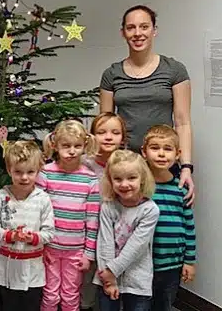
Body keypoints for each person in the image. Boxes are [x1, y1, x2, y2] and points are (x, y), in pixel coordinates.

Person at [99, 5, 194, 203]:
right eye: (131, 28)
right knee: (125, 228)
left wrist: (186, 167)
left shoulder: (174, 70)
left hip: (163, 164)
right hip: (125, 168)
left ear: (154, 30)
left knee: (165, 225)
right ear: (123, 33)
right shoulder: (111, 74)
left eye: (144, 27)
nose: (137, 33)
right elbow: (105, 126)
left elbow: (183, 122)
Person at [38, 120, 100, 311]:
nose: (72, 151)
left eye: (77, 146)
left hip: (76, 251)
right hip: (49, 248)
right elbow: (37, 212)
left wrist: (88, 254)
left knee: (71, 293)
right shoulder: (46, 173)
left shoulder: (90, 179)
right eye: (66, 146)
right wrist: (40, 247)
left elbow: (92, 220)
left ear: (84, 146)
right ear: (55, 145)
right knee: (49, 293)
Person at [0, 141, 54, 311]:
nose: (24, 177)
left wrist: (33, 237)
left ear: (38, 171)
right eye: (18, 172)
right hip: (7, 269)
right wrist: (11, 236)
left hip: (33, 270)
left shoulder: (43, 199)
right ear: (9, 170)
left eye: (30, 172)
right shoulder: (0, 197)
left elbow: (49, 232)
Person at [94, 150, 159, 311]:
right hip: (106, 276)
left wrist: (112, 271)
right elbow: (105, 242)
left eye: (131, 178)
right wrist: (109, 278)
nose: (124, 184)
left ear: (142, 179)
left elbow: (136, 246)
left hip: (137, 278)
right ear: (110, 180)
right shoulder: (108, 206)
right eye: (118, 179)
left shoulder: (150, 210)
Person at [141, 125, 196, 311]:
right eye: (155, 148)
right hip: (142, 263)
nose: (161, 154)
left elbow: (189, 226)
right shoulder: (139, 188)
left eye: (167, 149)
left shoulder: (182, 189)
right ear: (144, 152)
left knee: (164, 305)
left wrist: (189, 261)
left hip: (172, 264)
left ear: (178, 153)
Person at [80, 112, 127, 311]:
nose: (108, 137)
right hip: (87, 235)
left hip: (115, 237)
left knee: (111, 285)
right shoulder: (83, 162)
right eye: (102, 132)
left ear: (123, 138)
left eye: (115, 132)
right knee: (86, 285)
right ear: (92, 137)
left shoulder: (127, 164)